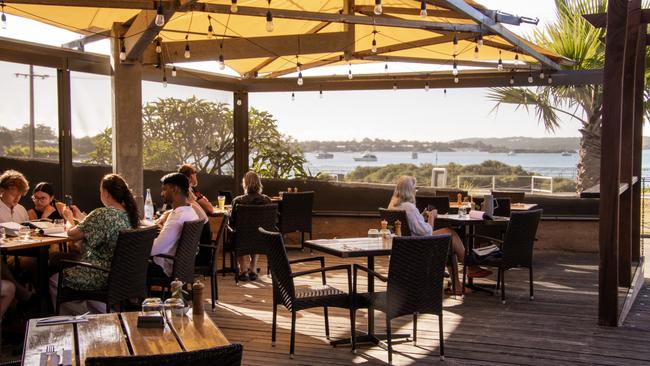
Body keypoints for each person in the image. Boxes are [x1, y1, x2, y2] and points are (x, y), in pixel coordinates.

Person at [49, 174, 140, 313]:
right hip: (121, 275)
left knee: (54, 280)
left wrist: (68, 218)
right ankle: (102, 315)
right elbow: (99, 227)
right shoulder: (129, 214)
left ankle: (80, 320)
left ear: (106, 193)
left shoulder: (101, 214)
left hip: (99, 274)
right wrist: (82, 218)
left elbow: (72, 234)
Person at [388, 176, 489, 295]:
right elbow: (427, 232)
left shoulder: (393, 206)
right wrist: (432, 217)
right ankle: (469, 266)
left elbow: (413, 226)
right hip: (419, 246)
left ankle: (459, 282)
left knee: (449, 241)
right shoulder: (409, 207)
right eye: (414, 189)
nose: (415, 192)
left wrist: (421, 216)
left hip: (406, 246)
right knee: (450, 234)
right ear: (409, 190)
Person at [149, 173, 199, 278]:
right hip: (181, 266)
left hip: (165, 268)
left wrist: (137, 243)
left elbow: (154, 249)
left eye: (164, 189)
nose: (162, 194)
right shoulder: (190, 212)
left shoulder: (178, 218)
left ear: (175, 189)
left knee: (129, 261)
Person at [230, 171, 271, 282]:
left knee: (236, 234)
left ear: (245, 184)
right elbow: (272, 221)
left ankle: (243, 269)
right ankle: (253, 269)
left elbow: (232, 222)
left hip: (242, 238)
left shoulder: (238, 201)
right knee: (257, 231)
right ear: (259, 183)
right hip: (261, 238)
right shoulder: (266, 200)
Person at [0, 170, 34, 302]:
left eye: (20, 195)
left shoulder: (21, 209)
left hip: (21, 251)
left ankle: (41, 301)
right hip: (5, 254)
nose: (16, 198)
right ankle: (27, 298)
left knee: (40, 260)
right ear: (2, 190)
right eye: (13, 194)